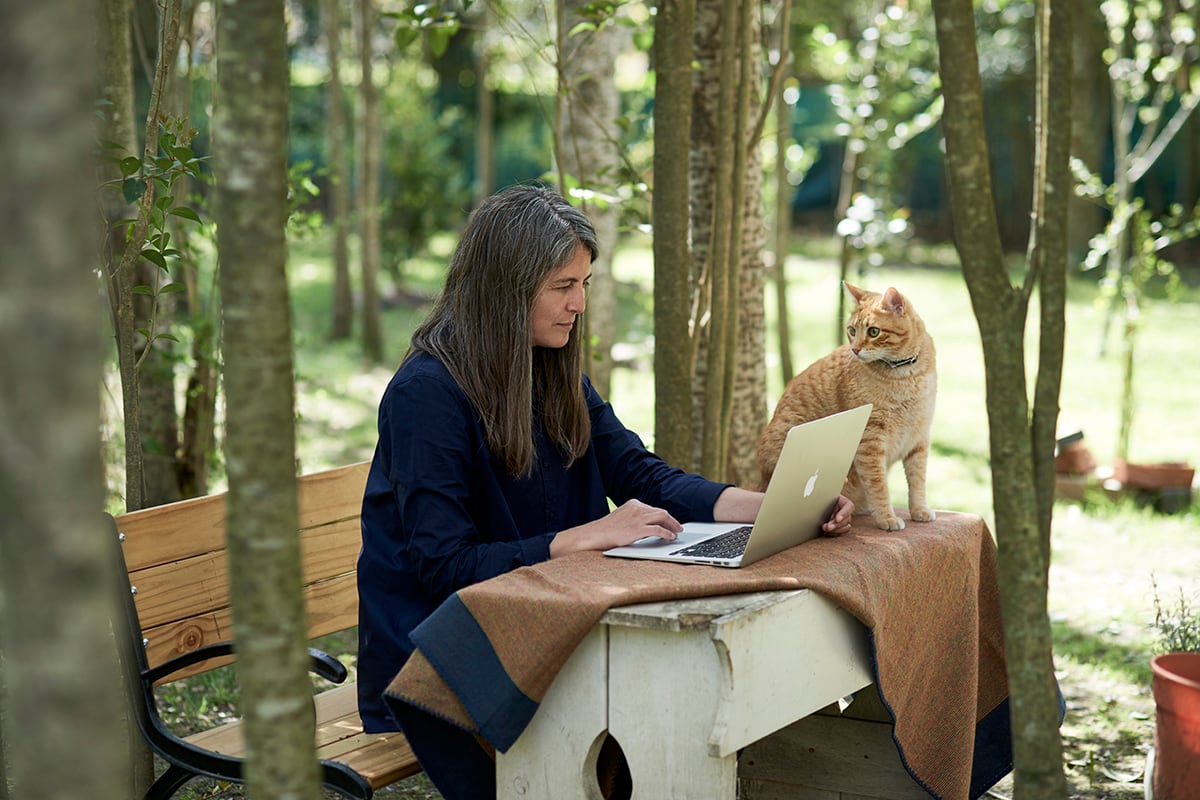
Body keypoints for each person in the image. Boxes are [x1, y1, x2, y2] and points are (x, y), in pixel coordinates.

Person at [356, 184, 854, 798]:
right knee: (653, 694)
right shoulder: (427, 395)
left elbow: (643, 476)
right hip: (439, 653)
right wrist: (583, 538)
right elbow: (442, 566)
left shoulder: (550, 368)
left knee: (677, 689)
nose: (579, 304)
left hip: (543, 620)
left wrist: (777, 506)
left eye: (584, 283)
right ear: (505, 290)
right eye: (563, 287)